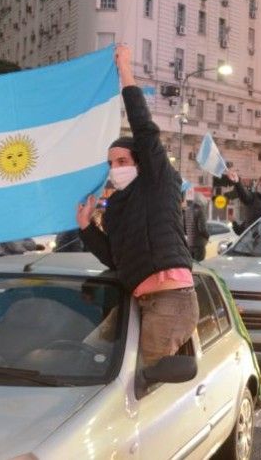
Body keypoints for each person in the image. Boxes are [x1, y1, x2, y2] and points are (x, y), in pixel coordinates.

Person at [77, 44, 197, 366]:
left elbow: (143, 127)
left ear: (141, 162)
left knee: (143, 380)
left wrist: (125, 71)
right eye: (110, 163)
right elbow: (113, 257)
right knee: (87, 356)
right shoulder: (116, 207)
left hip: (171, 299)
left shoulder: (156, 181)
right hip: (137, 300)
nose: (115, 167)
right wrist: (87, 226)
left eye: (122, 160)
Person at [224, 169, 261, 234]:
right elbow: (244, 194)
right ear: (257, 187)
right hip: (254, 238)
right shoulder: (253, 198)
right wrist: (237, 182)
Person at [181, 184, 210, 262]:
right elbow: (202, 228)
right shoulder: (200, 211)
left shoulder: (187, 211)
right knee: (200, 265)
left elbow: (184, 229)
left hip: (189, 245)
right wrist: (207, 236)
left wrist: (191, 236)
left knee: (192, 267)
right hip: (199, 245)